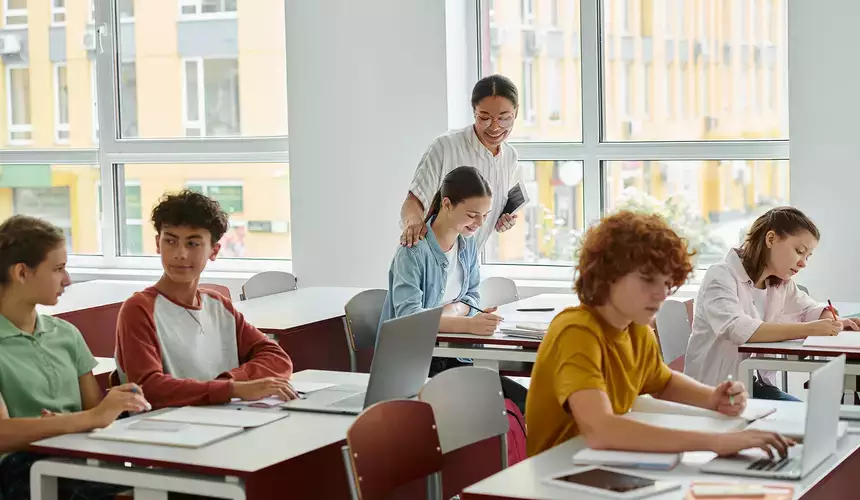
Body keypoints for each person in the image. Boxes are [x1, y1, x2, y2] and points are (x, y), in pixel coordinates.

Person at [525, 211, 793, 459]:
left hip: (606, 462)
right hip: (560, 469)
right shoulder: (577, 331)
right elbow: (600, 430)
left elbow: (662, 383)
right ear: (608, 274)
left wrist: (712, 398)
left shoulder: (637, 330)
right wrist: (715, 441)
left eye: (666, 283)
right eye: (647, 280)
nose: (661, 294)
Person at [0, 215, 149, 500]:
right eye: (58, 269)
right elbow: (3, 435)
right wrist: (86, 418)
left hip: (77, 451)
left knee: (169, 475)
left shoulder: (66, 334)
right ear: (21, 273)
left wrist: (115, 404)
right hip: (21, 468)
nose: (67, 279)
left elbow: (92, 413)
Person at [116, 190, 297, 409]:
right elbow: (149, 389)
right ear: (157, 243)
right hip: (167, 430)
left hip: (222, 419)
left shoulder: (218, 305)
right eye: (170, 241)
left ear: (214, 250)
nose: (180, 254)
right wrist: (231, 389)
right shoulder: (139, 309)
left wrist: (226, 382)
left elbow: (277, 358)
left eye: (193, 244)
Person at [381, 166, 526, 408]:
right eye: (472, 214)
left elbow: (472, 297)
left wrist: (449, 312)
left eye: (485, 214)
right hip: (417, 366)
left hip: (455, 358)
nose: (480, 223)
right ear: (447, 204)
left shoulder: (466, 245)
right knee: (492, 408)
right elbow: (410, 319)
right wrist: (467, 323)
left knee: (525, 402)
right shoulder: (413, 251)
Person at [685, 206, 860, 401]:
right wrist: (811, 328)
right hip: (713, 392)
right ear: (771, 239)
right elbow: (736, 328)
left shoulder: (779, 283)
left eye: (807, 256)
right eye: (799, 251)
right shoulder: (720, 276)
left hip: (752, 386)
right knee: (803, 420)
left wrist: (831, 319)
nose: (803, 263)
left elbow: (808, 309)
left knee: (809, 417)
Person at [400, 74, 522, 251]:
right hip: (434, 257)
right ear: (474, 112)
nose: (495, 127)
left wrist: (501, 220)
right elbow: (414, 200)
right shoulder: (446, 147)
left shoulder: (510, 156)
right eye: (484, 117)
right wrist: (413, 223)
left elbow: (483, 213)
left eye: (504, 118)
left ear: (516, 112)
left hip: (470, 263)